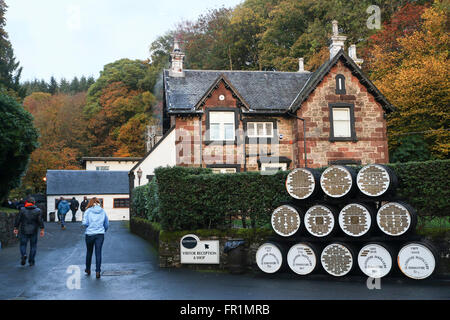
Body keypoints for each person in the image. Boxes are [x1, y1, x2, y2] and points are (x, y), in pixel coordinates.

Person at [82, 197, 109, 279]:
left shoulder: (88, 211)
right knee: (98, 253)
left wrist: (88, 226)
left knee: (89, 252)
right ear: (98, 203)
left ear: (90, 203)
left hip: (89, 234)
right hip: (100, 234)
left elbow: (85, 223)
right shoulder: (103, 211)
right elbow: (106, 223)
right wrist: (103, 230)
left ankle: (88, 269)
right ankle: (98, 271)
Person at [13, 197, 45, 267]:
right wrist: (42, 229)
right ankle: (31, 261)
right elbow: (40, 221)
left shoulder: (22, 209)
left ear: (27, 202)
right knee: (33, 246)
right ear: (34, 203)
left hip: (24, 230)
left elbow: (18, 219)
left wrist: (16, 228)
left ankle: (24, 255)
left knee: (23, 245)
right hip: (34, 230)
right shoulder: (38, 210)